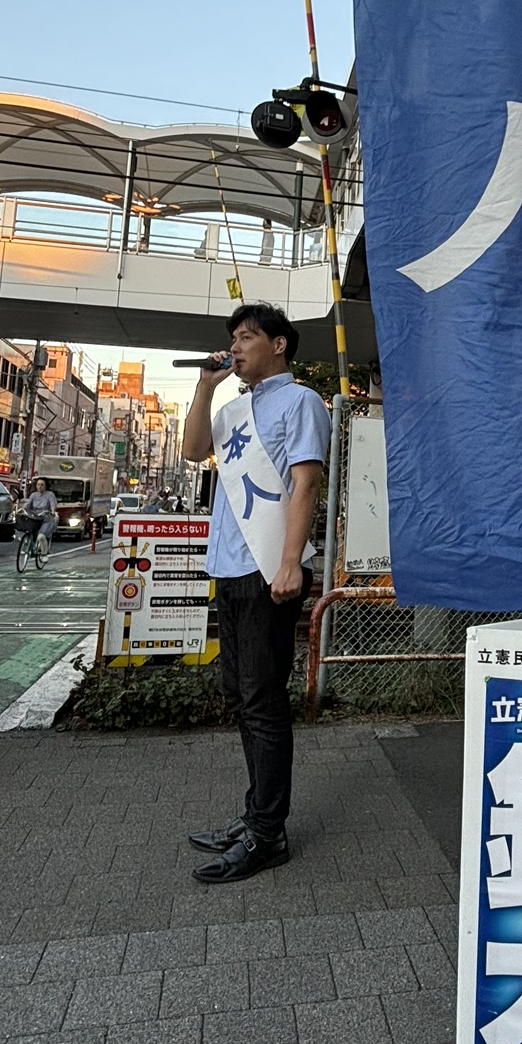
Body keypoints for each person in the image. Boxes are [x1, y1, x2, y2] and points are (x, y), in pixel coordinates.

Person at [181, 301, 331, 882]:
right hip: (230, 567)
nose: (236, 346)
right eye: (233, 338)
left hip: (271, 571)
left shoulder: (302, 402)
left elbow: (306, 481)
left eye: (247, 337)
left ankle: (268, 834)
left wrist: (290, 562)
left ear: (279, 346)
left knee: (264, 704)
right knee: (242, 697)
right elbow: (195, 452)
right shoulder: (236, 409)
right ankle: (256, 816)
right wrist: (205, 387)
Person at [21, 477, 59, 554]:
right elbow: (28, 504)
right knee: (28, 531)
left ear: (45, 486)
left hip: (45, 518)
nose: (40, 487)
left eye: (42, 485)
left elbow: (52, 504)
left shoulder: (50, 494)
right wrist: (23, 509)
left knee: (41, 536)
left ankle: (44, 551)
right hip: (34, 517)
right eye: (38, 485)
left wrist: (52, 511)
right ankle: (27, 546)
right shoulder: (33, 495)